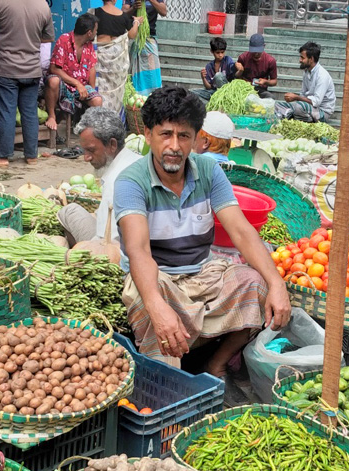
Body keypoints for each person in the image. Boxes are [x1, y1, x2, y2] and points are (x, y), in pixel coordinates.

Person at [114, 87, 291, 375]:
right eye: (165, 134)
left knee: (256, 283)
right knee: (147, 299)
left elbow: (241, 231)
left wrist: (277, 284)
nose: (174, 145)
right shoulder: (131, 182)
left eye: (184, 136)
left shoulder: (209, 171)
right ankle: (168, 379)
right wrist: (158, 308)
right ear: (148, 135)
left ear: (197, 139)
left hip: (202, 273)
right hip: (157, 276)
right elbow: (138, 251)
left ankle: (216, 363)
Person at [0, 0, 54, 168]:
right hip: (31, 70)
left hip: (5, 68)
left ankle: (3, 156)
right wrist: (28, 37)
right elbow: (48, 37)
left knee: (7, 112)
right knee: (29, 112)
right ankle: (31, 155)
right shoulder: (43, 4)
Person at [75, 107, 143, 242]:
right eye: (84, 151)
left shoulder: (116, 182)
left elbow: (106, 243)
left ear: (112, 144)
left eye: (91, 150)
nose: (86, 158)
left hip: (118, 250)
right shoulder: (135, 158)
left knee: (69, 212)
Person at [44, 14, 102, 132]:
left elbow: (91, 68)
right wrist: (77, 84)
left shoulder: (89, 45)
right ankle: (52, 116)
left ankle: (88, 131)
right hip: (64, 84)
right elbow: (54, 68)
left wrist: (90, 89)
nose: (97, 32)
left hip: (80, 86)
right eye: (96, 30)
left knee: (97, 100)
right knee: (53, 80)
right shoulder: (64, 40)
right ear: (89, 33)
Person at [94, 0, 142, 115]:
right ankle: (111, 115)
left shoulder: (95, 13)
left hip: (100, 58)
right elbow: (132, 35)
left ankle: (98, 113)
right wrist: (136, 23)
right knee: (114, 92)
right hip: (117, 63)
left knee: (100, 88)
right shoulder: (123, 17)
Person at [275, 42, 335, 123]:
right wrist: (295, 99)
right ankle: (292, 114)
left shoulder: (322, 75)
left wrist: (296, 98)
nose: (300, 60)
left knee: (299, 107)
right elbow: (303, 94)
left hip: (322, 112)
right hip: (307, 107)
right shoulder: (307, 72)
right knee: (277, 105)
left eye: (302, 58)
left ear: (311, 59)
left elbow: (316, 102)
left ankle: (304, 121)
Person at [123, 0, 165, 95]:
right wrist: (133, 8)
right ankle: (133, 99)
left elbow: (164, 12)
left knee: (152, 75)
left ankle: (153, 98)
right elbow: (123, 14)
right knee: (131, 73)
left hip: (149, 39)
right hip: (133, 38)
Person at [235, 34, 278, 99]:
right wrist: (240, 71)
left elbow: (274, 81)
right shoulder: (243, 57)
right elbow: (236, 77)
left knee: (270, 97)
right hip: (244, 88)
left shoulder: (270, 61)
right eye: (254, 51)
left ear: (264, 46)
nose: (256, 54)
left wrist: (265, 82)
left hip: (260, 90)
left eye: (258, 51)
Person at [195, 37, 237, 102]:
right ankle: (212, 103)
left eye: (222, 52)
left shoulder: (228, 60)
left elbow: (234, 72)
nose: (220, 55)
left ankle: (222, 101)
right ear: (212, 51)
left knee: (218, 76)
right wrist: (203, 78)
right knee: (191, 93)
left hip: (227, 93)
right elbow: (209, 87)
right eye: (218, 53)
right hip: (214, 92)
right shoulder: (209, 66)